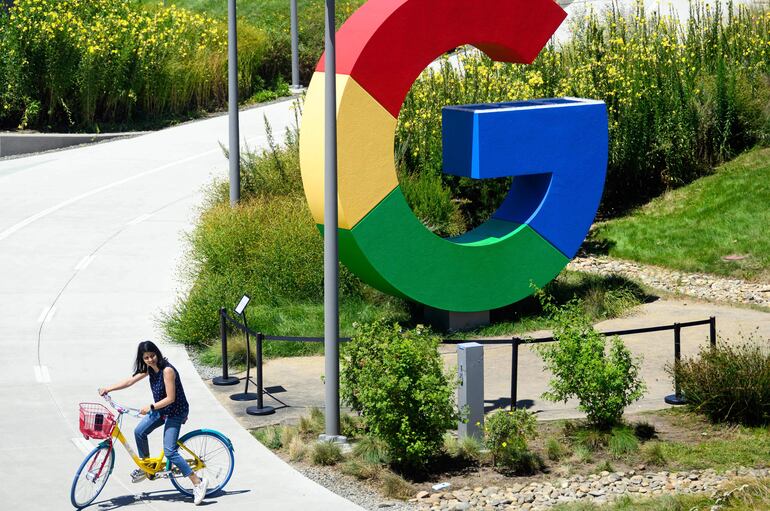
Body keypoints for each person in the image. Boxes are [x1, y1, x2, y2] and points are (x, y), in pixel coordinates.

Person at [99, 340, 208, 505]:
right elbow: (130, 381)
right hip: (161, 410)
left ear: (157, 353)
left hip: (175, 411)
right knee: (139, 432)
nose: (150, 360)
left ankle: (197, 482)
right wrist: (108, 389)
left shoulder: (167, 371)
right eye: (146, 358)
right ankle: (147, 467)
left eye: (152, 356)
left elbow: (170, 398)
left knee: (170, 451)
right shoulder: (150, 369)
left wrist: (151, 407)